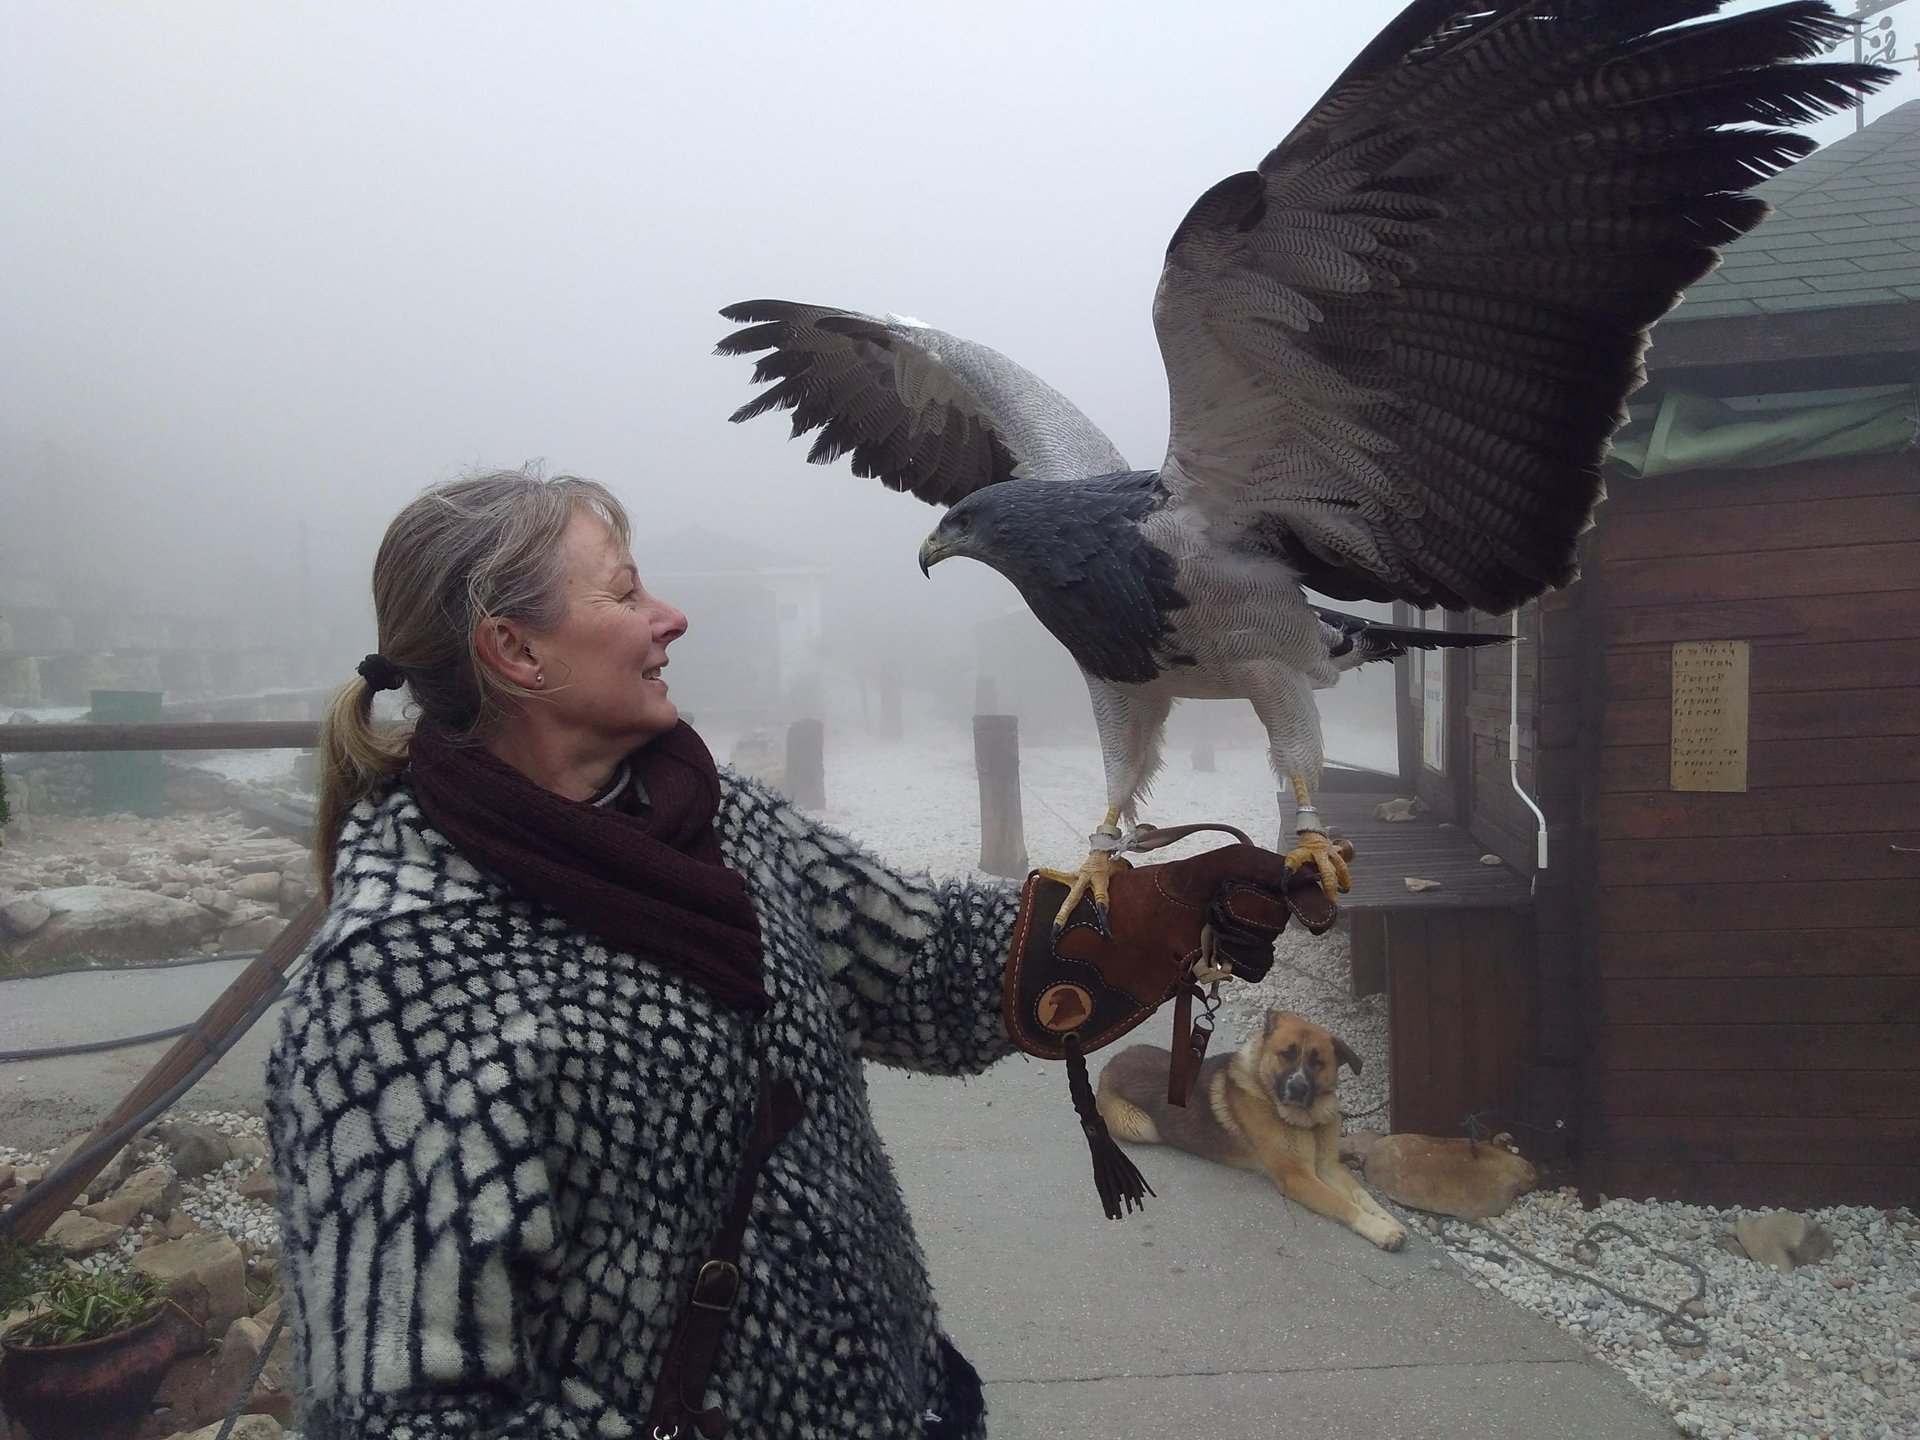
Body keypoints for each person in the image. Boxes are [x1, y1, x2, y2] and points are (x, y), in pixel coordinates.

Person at [267, 467, 1316, 1440]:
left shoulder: (715, 826)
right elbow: (402, 1411)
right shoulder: (397, 982)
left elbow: (927, 963)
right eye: (626, 595)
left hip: (901, 1402)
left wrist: (1158, 914)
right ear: (517, 652)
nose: (669, 617)